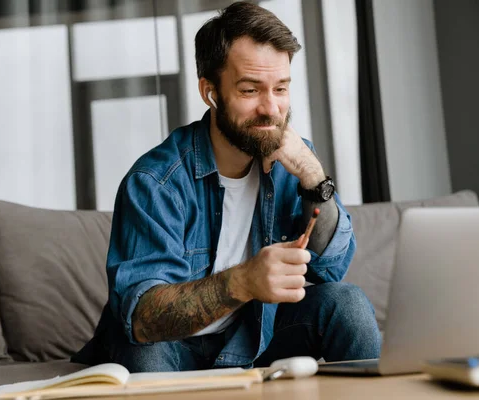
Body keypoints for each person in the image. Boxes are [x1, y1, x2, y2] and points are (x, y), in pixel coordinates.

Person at [72, 1, 381, 372]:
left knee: (346, 302)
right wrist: (244, 281)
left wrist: (315, 177)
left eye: (280, 88)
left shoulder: (293, 160)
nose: (271, 109)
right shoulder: (156, 182)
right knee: (146, 351)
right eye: (251, 91)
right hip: (171, 345)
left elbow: (331, 269)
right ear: (211, 92)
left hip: (253, 334)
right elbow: (143, 318)